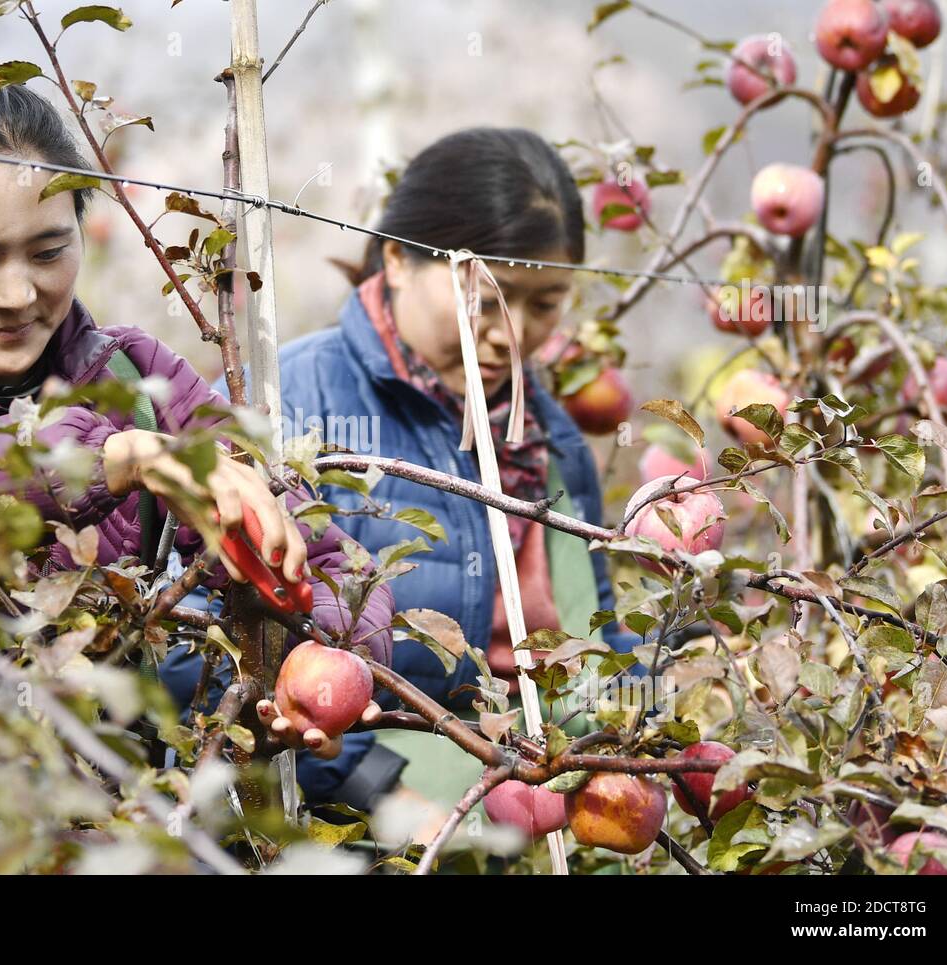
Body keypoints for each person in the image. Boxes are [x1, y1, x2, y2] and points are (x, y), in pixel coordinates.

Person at [0, 73, 392, 757]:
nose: (20, 293)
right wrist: (101, 458)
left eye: (50, 252)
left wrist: (316, 655)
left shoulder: (136, 378)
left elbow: (322, 559)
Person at [166, 127, 642, 814]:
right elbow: (194, 648)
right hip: (352, 837)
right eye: (488, 297)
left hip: (532, 834)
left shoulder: (550, 437)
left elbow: (591, 634)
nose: (512, 333)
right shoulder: (294, 403)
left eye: (543, 304)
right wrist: (379, 795)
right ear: (396, 260)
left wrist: (665, 684)